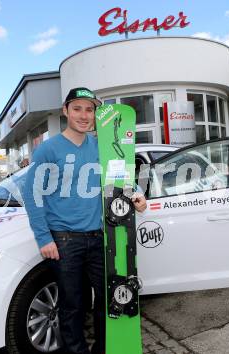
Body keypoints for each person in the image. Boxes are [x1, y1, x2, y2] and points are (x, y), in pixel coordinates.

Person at [23, 87, 147, 354]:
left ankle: (103, 350)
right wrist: (44, 238)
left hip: (102, 238)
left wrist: (137, 193)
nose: (83, 115)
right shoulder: (48, 149)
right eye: (77, 108)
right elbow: (32, 194)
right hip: (64, 240)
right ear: (65, 110)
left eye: (89, 109)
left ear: (95, 114)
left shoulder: (103, 145)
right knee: (73, 305)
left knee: (108, 301)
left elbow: (121, 177)